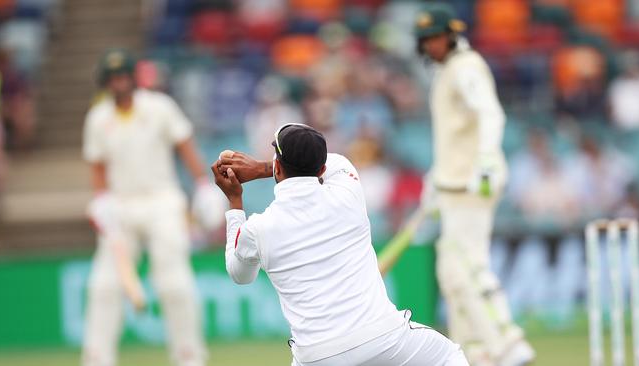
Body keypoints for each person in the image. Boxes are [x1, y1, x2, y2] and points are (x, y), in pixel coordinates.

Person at [212, 123, 469, 366]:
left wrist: (235, 203)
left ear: (279, 168)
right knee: (449, 357)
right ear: (321, 170)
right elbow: (333, 160)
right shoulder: (348, 190)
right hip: (382, 338)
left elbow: (241, 275)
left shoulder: (258, 228)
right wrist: (261, 168)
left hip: (315, 356)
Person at [82, 48, 222, 366]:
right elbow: (98, 168)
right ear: (105, 83)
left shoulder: (159, 107)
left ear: (133, 78)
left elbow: (185, 145)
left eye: (123, 76)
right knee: (104, 285)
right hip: (120, 206)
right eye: (112, 78)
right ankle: (96, 357)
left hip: (162, 201)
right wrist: (100, 200)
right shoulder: (98, 118)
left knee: (173, 281)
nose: (119, 83)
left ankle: (189, 356)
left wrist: (203, 185)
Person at [415, 4, 535, 366]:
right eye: (426, 40)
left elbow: (489, 113)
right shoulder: (446, 71)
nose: (432, 46)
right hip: (453, 183)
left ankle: (508, 343)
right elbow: (453, 137)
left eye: (437, 37)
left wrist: (485, 160)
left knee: (467, 264)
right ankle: (474, 353)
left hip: (473, 183)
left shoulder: (466, 67)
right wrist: (435, 180)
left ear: (451, 35)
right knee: (451, 274)